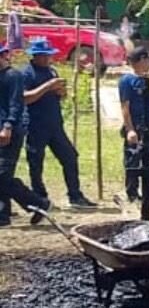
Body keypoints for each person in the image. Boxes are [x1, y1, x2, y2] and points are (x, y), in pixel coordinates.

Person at [22, 38, 95, 208]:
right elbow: (24, 98)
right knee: (36, 163)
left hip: (55, 125)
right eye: (44, 55)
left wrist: (61, 92)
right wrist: (48, 86)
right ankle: (40, 199)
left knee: (70, 157)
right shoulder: (26, 74)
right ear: (35, 56)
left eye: (49, 55)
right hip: (35, 125)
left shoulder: (52, 71)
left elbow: (60, 97)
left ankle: (75, 195)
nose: (48, 58)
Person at [0, 43, 52, 226]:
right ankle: (3, 214)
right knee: (3, 176)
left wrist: (8, 126)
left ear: (4, 56)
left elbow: (16, 104)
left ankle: (38, 203)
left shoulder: (13, 76)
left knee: (2, 174)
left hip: (11, 131)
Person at [120, 47, 149, 205]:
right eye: (147, 59)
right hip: (136, 126)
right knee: (133, 160)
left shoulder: (145, 79)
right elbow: (125, 106)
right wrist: (130, 129)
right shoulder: (127, 80)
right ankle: (132, 194)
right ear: (141, 60)